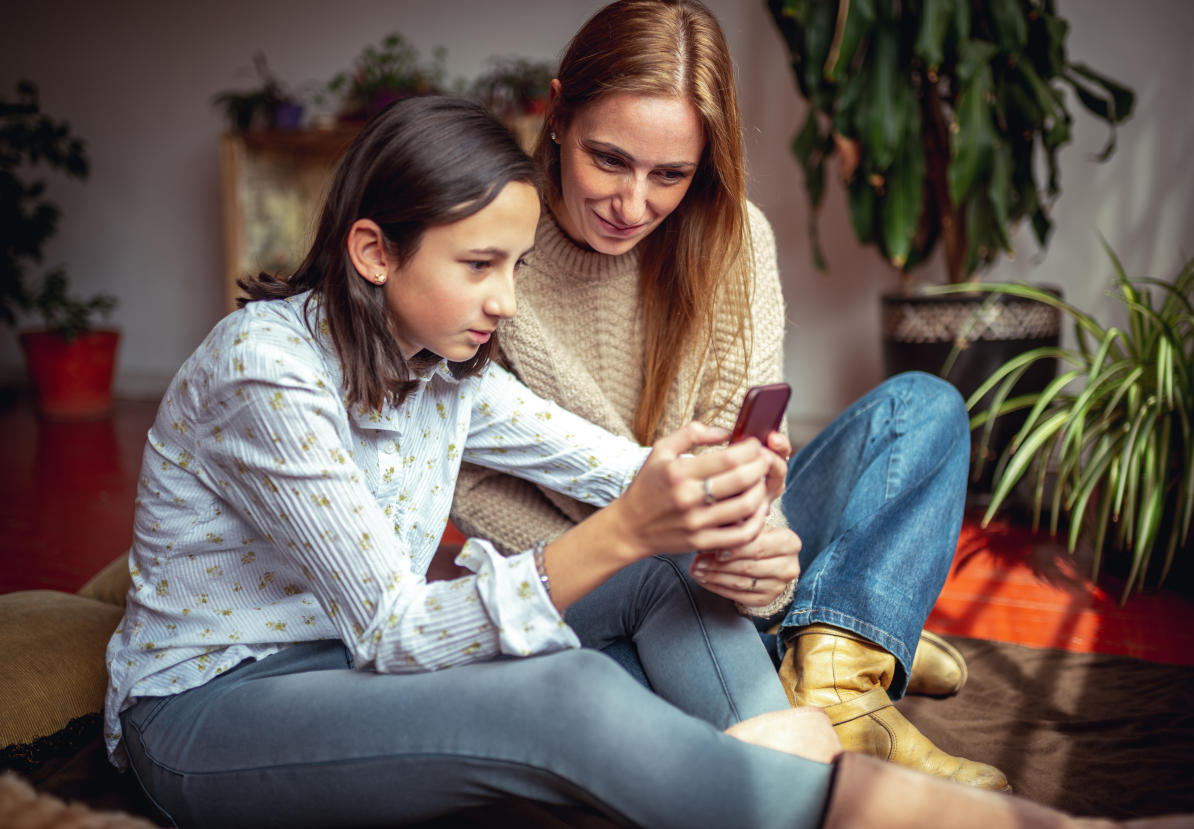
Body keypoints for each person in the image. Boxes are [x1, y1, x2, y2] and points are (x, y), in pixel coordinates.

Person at [103, 95, 843, 828]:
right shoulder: (263, 369)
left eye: (515, 266)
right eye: (479, 264)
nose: (507, 302)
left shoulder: (444, 371)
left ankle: (763, 763)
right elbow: (397, 630)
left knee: (662, 574)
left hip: (357, 670)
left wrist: (718, 481)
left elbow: (624, 469)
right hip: (211, 710)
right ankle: (815, 791)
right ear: (375, 252)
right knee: (568, 692)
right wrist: (628, 527)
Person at [450, 0, 1005, 791]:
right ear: (559, 112)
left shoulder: (735, 236)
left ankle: (833, 672)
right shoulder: (490, 244)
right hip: (588, 569)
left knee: (923, 409)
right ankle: (847, 632)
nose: (633, 203)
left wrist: (763, 551)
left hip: (716, 545)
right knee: (620, 702)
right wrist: (657, 545)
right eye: (609, 160)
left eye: (670, 174)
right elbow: (470, 480)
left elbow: (746, 455)